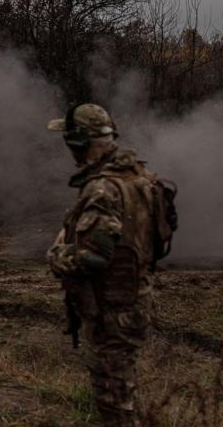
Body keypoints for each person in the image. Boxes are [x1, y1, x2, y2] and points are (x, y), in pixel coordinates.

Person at [46, 104, 159, 427]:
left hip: (112, 311)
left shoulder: (103, 188)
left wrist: (56, 254)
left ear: (79, 143)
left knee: (114, 406)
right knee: (122, 395)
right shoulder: (139, 177)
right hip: (134, 300)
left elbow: (94, 258)